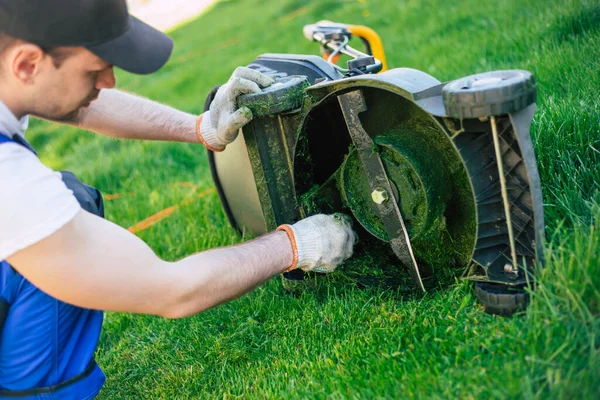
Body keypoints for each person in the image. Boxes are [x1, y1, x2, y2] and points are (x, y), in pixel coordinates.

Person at [0, 0, 357, 398]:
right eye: (94, 69)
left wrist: (200, 127)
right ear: (27, 65)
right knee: (57, 219)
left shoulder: (14, 78)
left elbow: (78, 104)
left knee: (68, 203)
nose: (109, 81)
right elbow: (171, 290)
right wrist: (295, 245)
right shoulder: (10, 183)